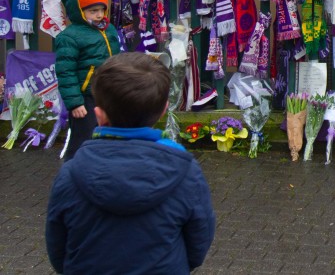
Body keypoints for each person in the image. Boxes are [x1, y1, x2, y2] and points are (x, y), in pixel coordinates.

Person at [45, 52, 216, 274]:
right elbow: (199, 238)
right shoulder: (184, 170)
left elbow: (57, 246)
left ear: (98, 115)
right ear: (163, 109)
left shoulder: (71, 173)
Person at [54, 0, 121, 160]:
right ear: (79, 11)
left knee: (107, 136)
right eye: (93, 11)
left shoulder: (110, 30)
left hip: (107, 94)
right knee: (83, 139)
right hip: (85, 97)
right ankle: (73, 173)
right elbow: (65, 72)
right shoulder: (69, 37)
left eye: (102, 9)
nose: (99, 15)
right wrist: (75, 103)